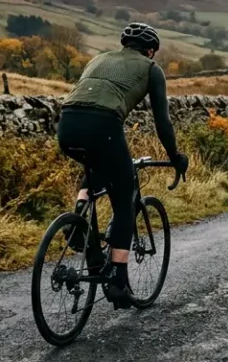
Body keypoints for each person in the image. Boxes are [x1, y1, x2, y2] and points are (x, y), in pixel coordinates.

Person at [57, 22, 189, 306]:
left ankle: (79, 217)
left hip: (66, 124)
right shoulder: (151, 69)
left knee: (96, 167)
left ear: (124, 45)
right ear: (151, 51)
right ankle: (117, 280)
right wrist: (175, 156)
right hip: (104, 125)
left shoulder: (98, 59)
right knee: (126, 194)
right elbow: (162, 122)